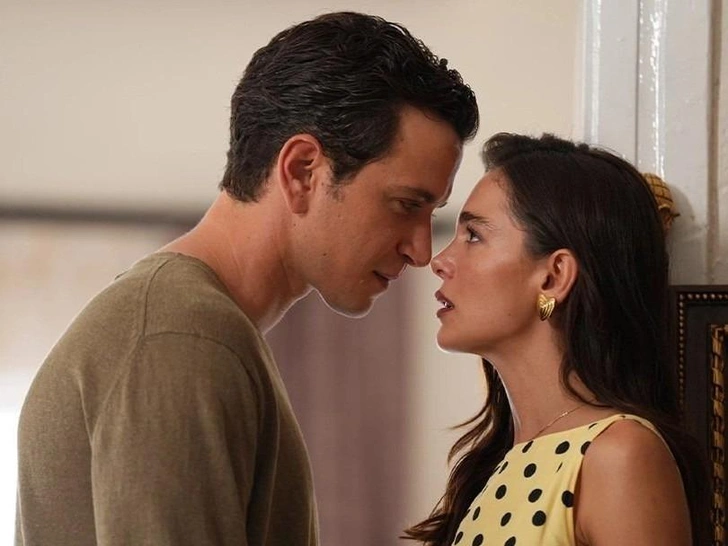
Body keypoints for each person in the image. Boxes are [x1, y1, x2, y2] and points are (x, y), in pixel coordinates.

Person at [15, 12, 478, 546]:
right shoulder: (179, 337)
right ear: (302, 170)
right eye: (405, 204)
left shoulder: (198, 329)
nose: (421, 251)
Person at [405, 133, 708, 546]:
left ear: (553, 277)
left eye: (473, 236)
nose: (439, 261)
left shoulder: (619, 455)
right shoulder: (491, 465)